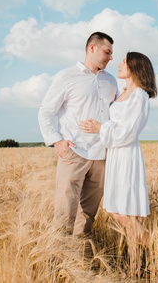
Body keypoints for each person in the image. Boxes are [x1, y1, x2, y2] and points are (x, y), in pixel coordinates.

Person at [79, 51, 157, 268]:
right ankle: (134, 266)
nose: (119, 64)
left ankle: (157, 247)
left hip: (126, 156)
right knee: (125, 213)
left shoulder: (139, 96)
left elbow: (129, 131)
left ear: (135, 67)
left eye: (124, 61)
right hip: (114, 154)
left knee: (120, 213)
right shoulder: (122, 93)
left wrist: (100, 128)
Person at [38, 31, 118, 238]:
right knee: (65, 211)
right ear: (92, 48)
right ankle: (58, 261)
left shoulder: (111, 81)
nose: (111, 57)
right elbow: (46, 111)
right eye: (107, 52)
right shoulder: (66, 76)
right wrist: (57, 141)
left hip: (101, 155)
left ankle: (80, 258)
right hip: (75, 152)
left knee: (88, 213)